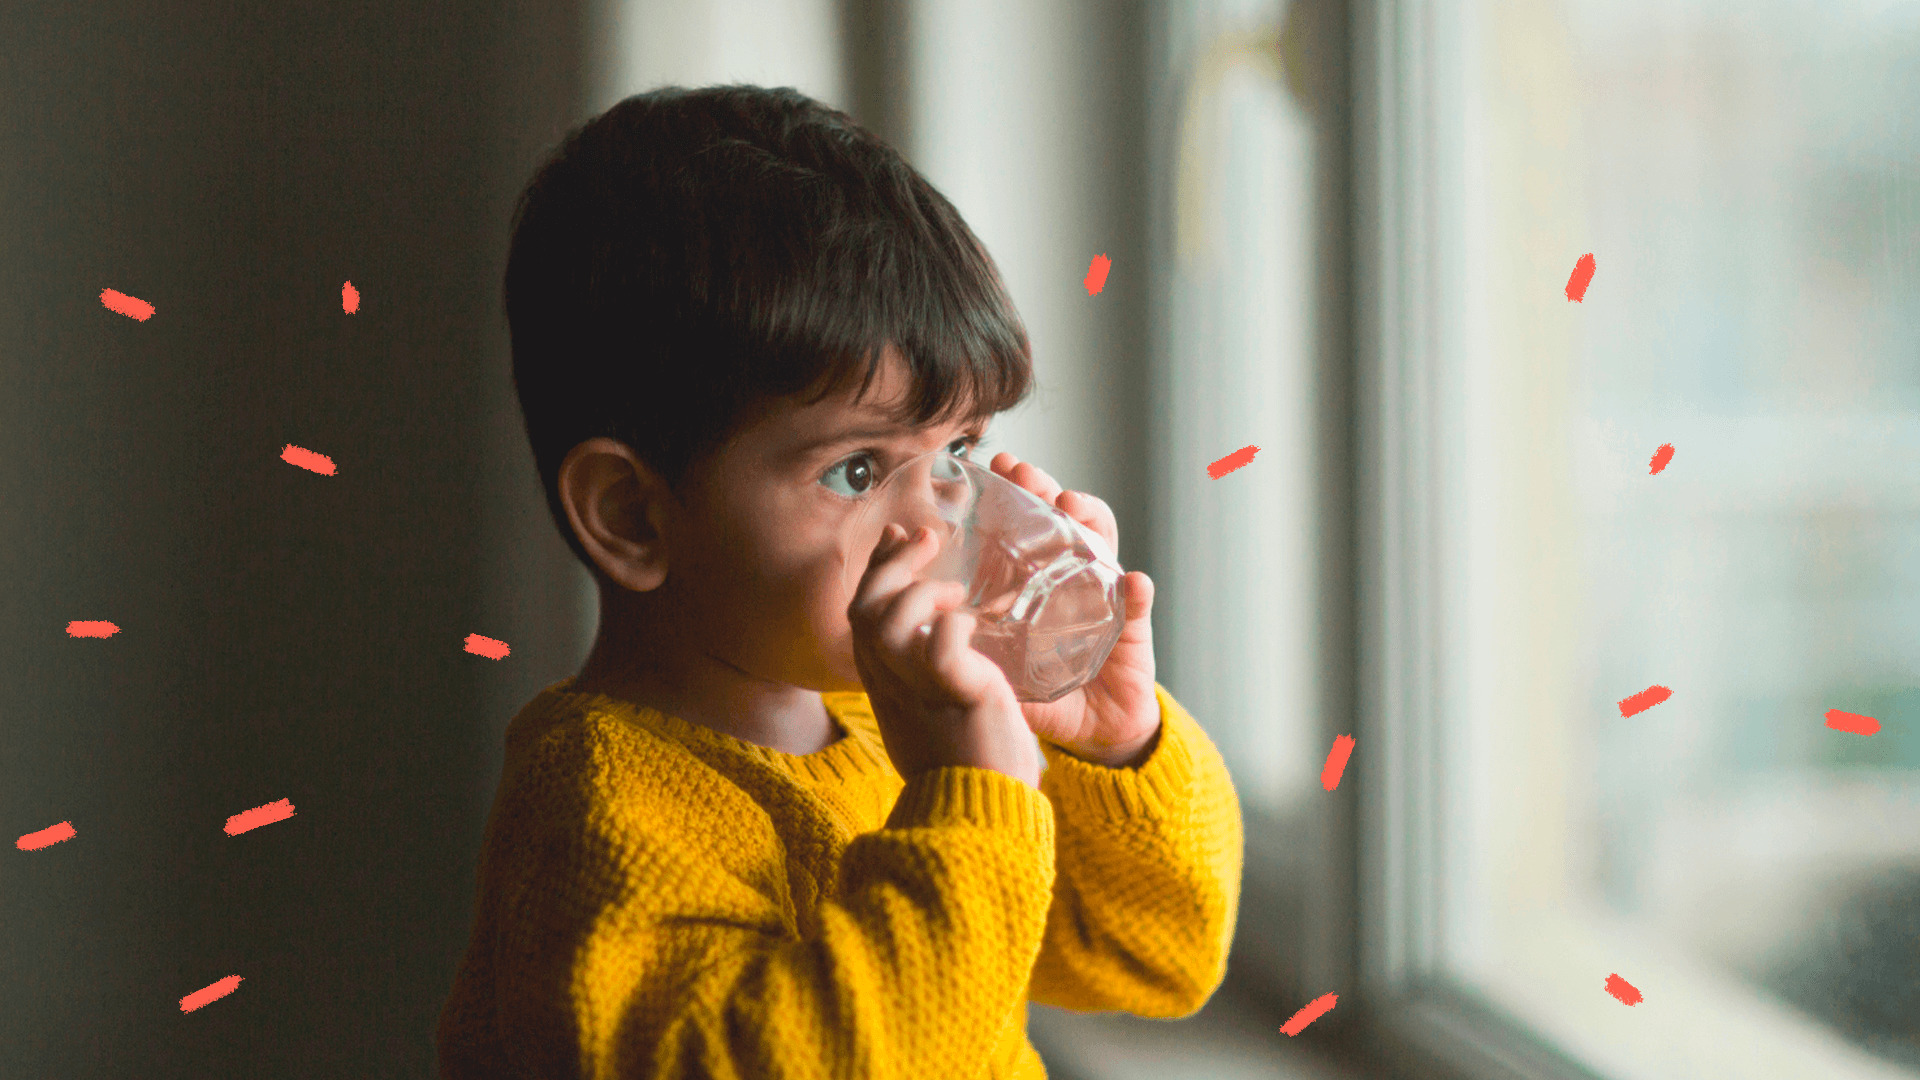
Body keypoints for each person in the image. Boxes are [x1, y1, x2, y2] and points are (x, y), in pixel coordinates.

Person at [435, 83, 1244, 1079]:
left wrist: (1114, 749)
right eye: (858, 470)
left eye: (958, 450)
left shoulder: (886, 721)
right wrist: (966, 802)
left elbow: (1155, 956)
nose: (935, 519)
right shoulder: (597, 822)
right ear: (633, 515)